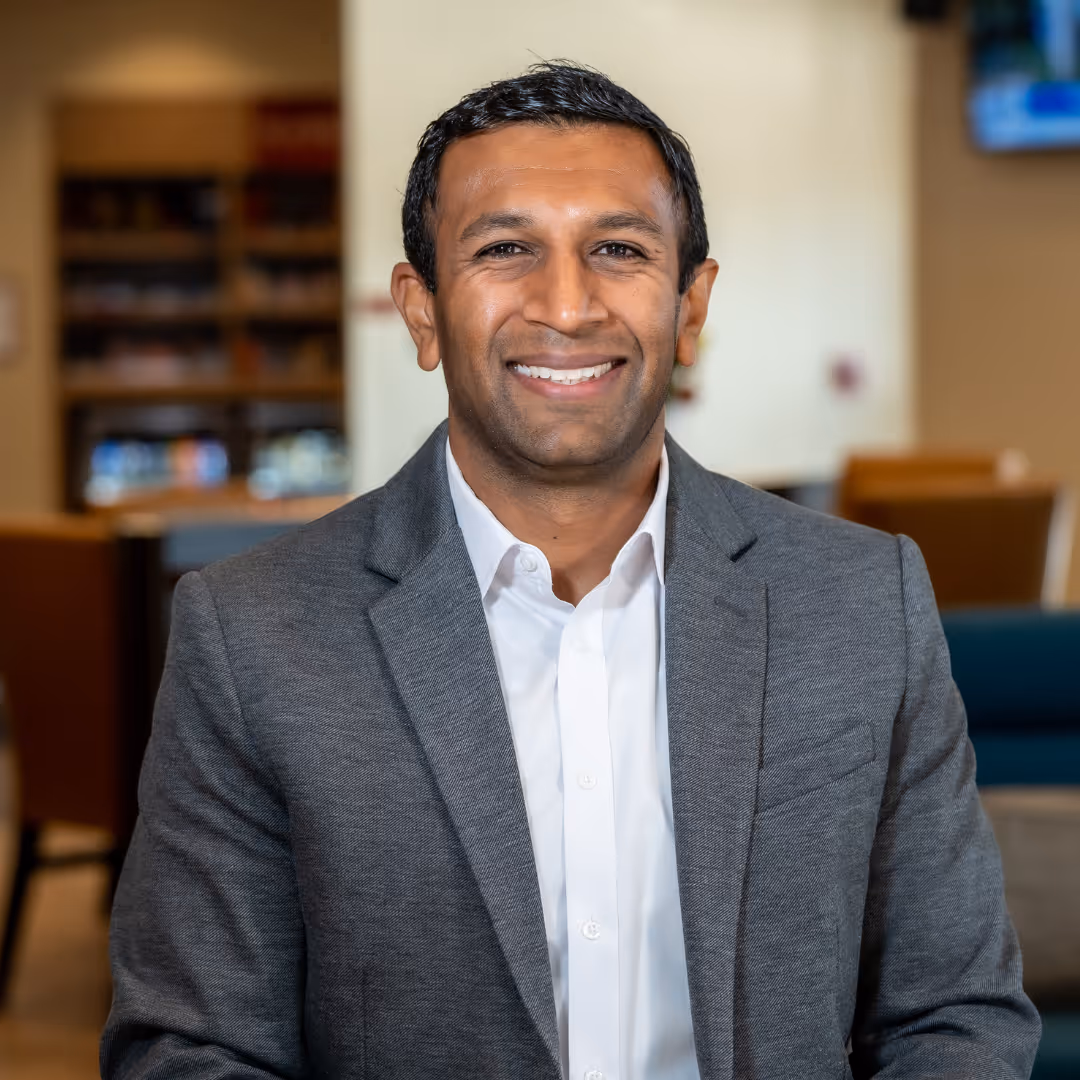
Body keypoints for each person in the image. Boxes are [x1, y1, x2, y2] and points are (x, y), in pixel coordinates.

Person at [102, 63, 1040, 1080]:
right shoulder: (251, 636)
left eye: (618, 249)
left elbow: (956, 1018)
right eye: (505, 249)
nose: (567, 303)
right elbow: (190, 1050)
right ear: (421, 311)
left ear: (691, 304)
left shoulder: (864, 602)